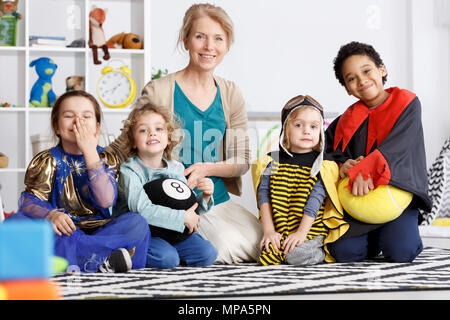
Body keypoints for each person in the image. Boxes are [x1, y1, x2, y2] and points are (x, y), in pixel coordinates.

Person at [108, 3, 262, 264]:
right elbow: (127, 142)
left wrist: (206, 169)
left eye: (218, 39)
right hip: (167, 203)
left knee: (263, 246)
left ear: (226, 46)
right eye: (200, 36)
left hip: (212, 200)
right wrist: (87, 156)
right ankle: (160, 245)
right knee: (224, 249)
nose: (208, 46)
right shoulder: (159, 90)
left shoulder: (231, 93)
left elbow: (241, 161)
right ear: (186, 40)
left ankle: (168, 250)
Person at [5, 90, 150, 273]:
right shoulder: (47, 160)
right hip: (61, 230)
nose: (77, 121)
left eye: (86, 116)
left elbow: (105, 201)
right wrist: (51, 215)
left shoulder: (107, 157)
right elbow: (28, 200)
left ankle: (76, 258)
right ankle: (99, 259)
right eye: (68, 116)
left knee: (137, 223)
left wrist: (90, 152)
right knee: (15, 222)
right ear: (57, 127)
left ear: (97, 128)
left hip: (100, 231)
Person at [324, 41, 432, 262]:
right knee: (344, 253)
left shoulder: (407, 103)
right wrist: (342, 165)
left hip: (397, 196)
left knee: (402, 253)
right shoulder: (345, 120)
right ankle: (375, 237)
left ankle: (393, 235)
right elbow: (327, 151)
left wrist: (365, 170)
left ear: (381, 70)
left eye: (367, 71)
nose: (362, 80)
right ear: (347, 88)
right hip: (360, 200)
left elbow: (399, 146)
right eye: (351, 78)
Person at [113, 98, 218, 268]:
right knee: (167, 259)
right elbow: (141, 209)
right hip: (145, 233)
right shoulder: (129, 170)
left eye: (158, 129)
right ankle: (127, 251)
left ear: (168, 138)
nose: (152, 133)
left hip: (172, 231)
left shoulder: (176, 168)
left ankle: (171, 249)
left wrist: (205, 197)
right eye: (143, 130)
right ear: (132, 141)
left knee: (207, 254)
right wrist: (182, 217)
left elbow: (186, 205)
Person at [252, 95, 334, 266]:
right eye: (298, 125)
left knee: (296, 255)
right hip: (280, 228)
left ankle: (321, 252)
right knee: (265, 255)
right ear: (286, 129)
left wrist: (301, 234)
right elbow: (264, 196)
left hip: (309, 229)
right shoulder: (273, 160)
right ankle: (281, 244)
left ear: (320, 132)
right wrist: (269, 231)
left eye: (313, 126)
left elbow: (315, 202)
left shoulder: (321, 164)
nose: (306, 131)